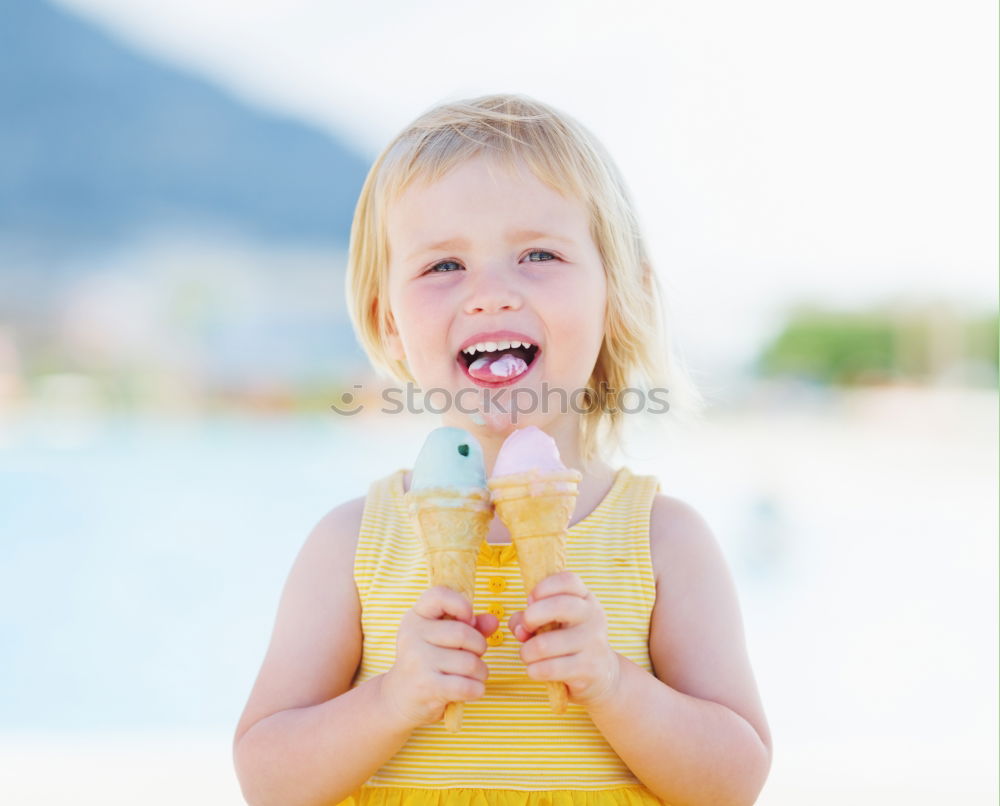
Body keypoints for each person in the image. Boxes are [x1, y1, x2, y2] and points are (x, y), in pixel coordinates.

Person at [232, 93, 772, 806]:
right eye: (443, 266)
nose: (489, 294)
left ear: (618, 297)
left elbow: (732, 782)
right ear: (387, 323)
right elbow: (268, 780)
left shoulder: (663, 541)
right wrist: (392, 699)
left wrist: (611, 683)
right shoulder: (353, 544)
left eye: (538, 254)